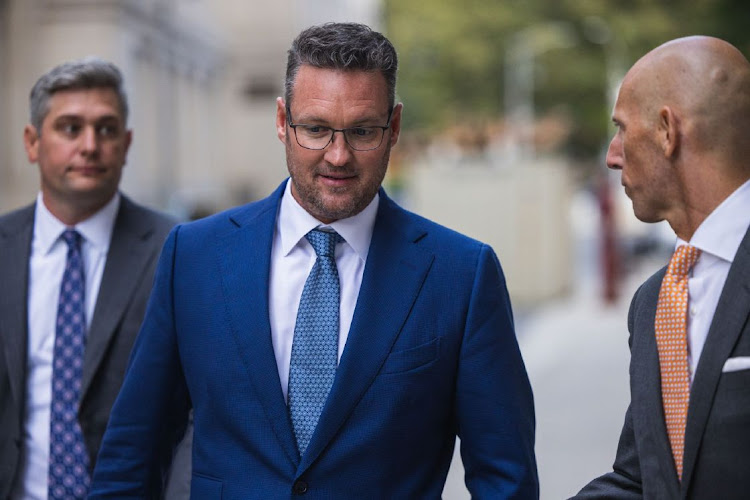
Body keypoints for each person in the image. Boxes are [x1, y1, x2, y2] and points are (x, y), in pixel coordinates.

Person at [89, 22, 538, 499]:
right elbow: (132, 454)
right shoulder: (194, 257)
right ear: (282, 121)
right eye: (317, 129)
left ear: (395, 127)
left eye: (363, 131)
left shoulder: (461, 275)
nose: (338, 156)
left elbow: (504, 478)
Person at [574, 36, 750, 499]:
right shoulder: (654, 300)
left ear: (668, 131)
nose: (613, 156)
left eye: (622, 129)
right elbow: (644, 479)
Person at [0, 58, 181, 499]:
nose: (89, 145)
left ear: (126, 143)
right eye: (69, 128)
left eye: (106, 128)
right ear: (32, 142)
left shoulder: (177, 250)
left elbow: (200, 407)